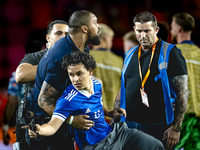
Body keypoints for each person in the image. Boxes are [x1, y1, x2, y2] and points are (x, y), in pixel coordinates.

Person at [24, 51, 165, 150]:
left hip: (116, 132)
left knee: (155, 145)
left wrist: (109, 113)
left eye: (79, 73)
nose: (75, 79)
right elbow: (52, 126)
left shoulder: (97, 83)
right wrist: (39, 129)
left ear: (90, 71)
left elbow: (97, 104)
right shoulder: (68, 100)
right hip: (97, 145)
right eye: (71, 75)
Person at [23, 10, 102, 150]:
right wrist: (72, 120)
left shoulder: (81, 47)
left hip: (59, 118)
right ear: (84, 28)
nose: (99, 26)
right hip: (44, 123)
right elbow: (44, 101)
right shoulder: (61, 56)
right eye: (95, 23)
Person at [113, 11, 188, 150]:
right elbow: (124, 87)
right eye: (139, 31)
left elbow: (182, 93)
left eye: (147, 31)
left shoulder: (171, 52)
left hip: (159, 127)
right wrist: (114, 120)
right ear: (134, 29)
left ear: (156, 30)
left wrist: (176, 128)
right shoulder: (130, 54)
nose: (143, 36)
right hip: (130, 126)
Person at [14, 20, 70, 150]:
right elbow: (20, 76)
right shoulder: (34, 57)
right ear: (48, 38)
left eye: (67, 34)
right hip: (33, 125)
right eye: (58, 33)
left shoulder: (73, 61)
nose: (63, 37)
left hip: (61, 123)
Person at [2, 40, 43, 146]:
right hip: (46, 123)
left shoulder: (16, 75)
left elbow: (11, 102)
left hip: (24, 124)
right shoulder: (50, 73)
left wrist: (5, 127)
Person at [170, 12, 200, 150]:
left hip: (179, 116)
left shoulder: (171, 52)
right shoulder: (199, 53)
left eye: (172, 27)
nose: (171, 30)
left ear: (179, 29)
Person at [90, 23, 123, 123]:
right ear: (105, 39)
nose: (112, 43)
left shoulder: (87, 57)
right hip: (113, 113)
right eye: (111, 40)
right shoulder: (119, 61)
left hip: (93, 112)